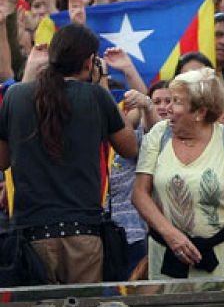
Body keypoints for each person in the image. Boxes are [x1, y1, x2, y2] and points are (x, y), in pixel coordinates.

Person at [0, 24, 140, 285]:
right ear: (89, 61)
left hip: (31, 237)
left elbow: (2, 160)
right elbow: (130, 147)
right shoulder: (96, 96)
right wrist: (102, 84)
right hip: (83, 234)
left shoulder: (15, 96)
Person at [133, 69, 224, 279]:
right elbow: (139, 194)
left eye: (176, 102)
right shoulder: (158, 135)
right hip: (167, 260)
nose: (167, 108)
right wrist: (171, 235)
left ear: (200, 112)